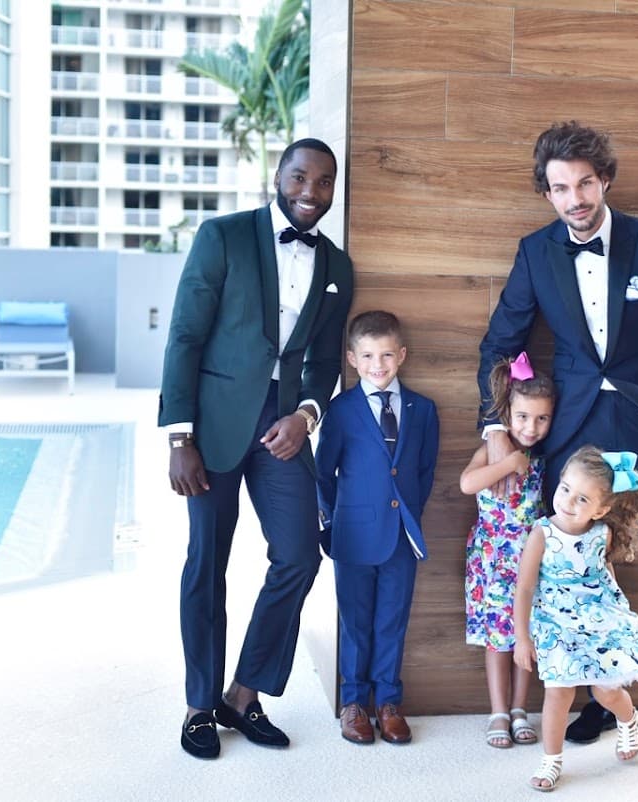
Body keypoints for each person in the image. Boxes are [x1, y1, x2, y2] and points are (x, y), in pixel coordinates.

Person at [478, 121, 638, 762]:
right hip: (575, 439)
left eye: (584, 182)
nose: (575, 198)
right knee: (573, 579)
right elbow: (500, 344)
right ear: (548, 193)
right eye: (560, 187)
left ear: (604, 179)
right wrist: (499, 431)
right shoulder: (535, 253)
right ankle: (592, 702)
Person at [159, 138, 354, 760]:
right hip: (213, 426)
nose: (310, 192)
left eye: (324, 183)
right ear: (278, 175)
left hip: (284, 427)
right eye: (300, 177)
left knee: (299, 555)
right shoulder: (223, 237)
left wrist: (306, 414)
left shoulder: (337, 267)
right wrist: (180, 435)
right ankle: (199, 704)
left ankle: (242, 695)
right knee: (207, 561)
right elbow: (186, 336)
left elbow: (325, 362)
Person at [514, 446, 638, 791]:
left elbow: (603, 571)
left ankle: (628, 718)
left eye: (582, 499)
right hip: (556, 622)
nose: (566, 502)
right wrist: (523, 637)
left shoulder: (601, 533)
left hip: (597, 618)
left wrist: (615, 613)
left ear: (602, 509)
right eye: (565, 489)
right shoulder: (542, 534)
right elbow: (524, 587)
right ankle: (551, 762)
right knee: (559, 694)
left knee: (606, 691)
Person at [315, 310, 440, 746]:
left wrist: (406, 513)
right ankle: (354, 703)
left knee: (392, 620)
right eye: (367, 355)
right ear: (352, 358)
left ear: (402, 355)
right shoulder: (341, 410)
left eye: (387, 354)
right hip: (351, 534)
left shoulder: (423, 410)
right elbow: (322, 473)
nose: (378, 365)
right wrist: (332, 523)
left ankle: (388, 701)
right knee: (355, 621)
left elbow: (424, 472)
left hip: (402, 534)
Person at [461, 351, 555, 749]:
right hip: (492, 560)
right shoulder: (496, 450)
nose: (530, 427)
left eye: (541, 418)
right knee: (497, 639)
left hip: (531, 562)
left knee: (524, 635)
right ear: (507, 413)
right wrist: (508, 464)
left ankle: (520, 709)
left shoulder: (545, 457)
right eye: (522, 417)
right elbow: (467, 484)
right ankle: (498, 710)